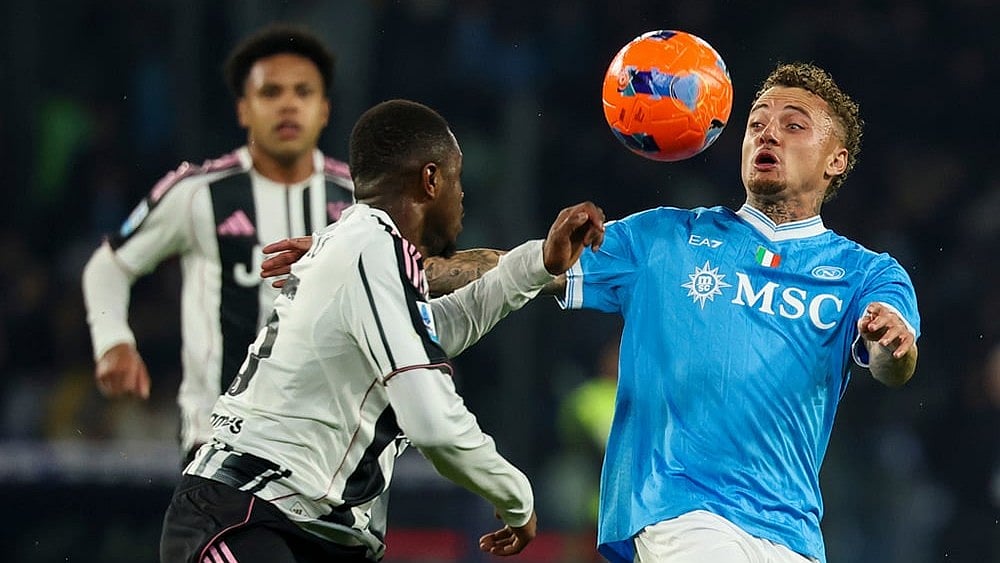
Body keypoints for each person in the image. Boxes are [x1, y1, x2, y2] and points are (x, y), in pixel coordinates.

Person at [265, 62, 920, 563]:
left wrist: (891, 342)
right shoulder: (668, 238)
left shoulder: (866, 273)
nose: (768, 131)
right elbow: (509, 266)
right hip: (683, 515)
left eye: (793, 124)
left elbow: (894, 363)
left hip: (794, 535)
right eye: (756, 122)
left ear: (835, 160)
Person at [159, 99, 605, 562]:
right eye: (457, 180)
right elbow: (433, 424)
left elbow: (445, 323)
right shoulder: (370, 245)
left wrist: (538, 264)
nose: (462, 197)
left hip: (313, 533)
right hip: (248, 513)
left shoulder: (364, 246)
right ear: (431, 179)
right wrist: (516, 495)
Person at [81, 24, 353, 462]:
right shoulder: (197, 192)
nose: (288, 104)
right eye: (271, 93)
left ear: (324, 109)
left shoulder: (359, 200)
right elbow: (109, 265)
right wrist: (114, 340)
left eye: (303, 92)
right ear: (243, 110)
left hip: (332, 452)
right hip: (220, 446)